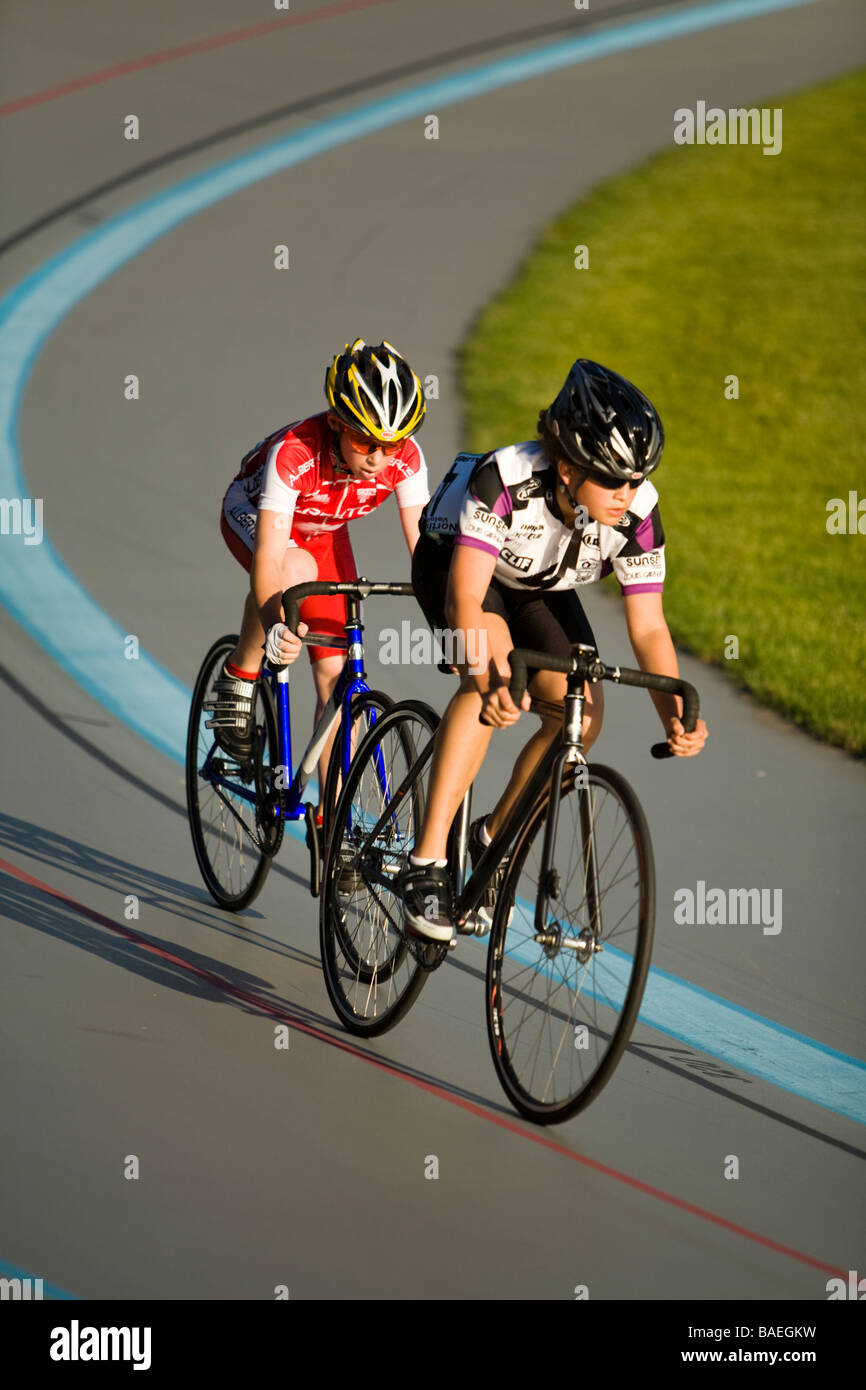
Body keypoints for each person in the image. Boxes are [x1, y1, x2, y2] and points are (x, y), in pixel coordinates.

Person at [399, 357, 708, 942]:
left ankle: (491, 840)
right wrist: (490, 679)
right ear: (566, 468)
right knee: (492, 679)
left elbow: (648, 628)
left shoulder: (638, 513)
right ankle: (427, 859)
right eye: (612, 480)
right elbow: (466, 597)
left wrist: (674, 715)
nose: (628, 494)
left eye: (638, 479)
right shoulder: (505, 478)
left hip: (540, 583)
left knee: (582, 715)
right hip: (458, 566)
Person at [209, 338, 428, 828]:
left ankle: (335, 824)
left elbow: (425, 553)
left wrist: (453, 627)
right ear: (336, 424)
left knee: (337, 681)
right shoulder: (295, 454)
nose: (378, 457)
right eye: (365, 442)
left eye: (390, 445)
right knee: (293, 571)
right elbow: (268, 558)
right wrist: (274, 626)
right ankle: (239, 678)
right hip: (257, 515)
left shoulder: (406, 458)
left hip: (324, 534)